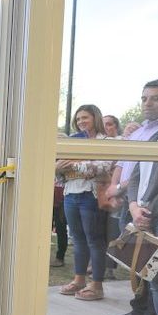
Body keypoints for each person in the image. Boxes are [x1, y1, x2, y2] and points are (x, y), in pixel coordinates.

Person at [104, 80, 158, 315]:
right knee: (144, 270)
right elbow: (135, 169)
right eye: (149, 98)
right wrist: (130, 202)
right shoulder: (148, 134)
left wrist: (144, 210)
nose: (155, 102)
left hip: (154, 213)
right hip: (137, 208)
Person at [125, 81, 158, 315]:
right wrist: (132, 206)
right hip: (145, 215)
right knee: (155, 281)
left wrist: (148, 212)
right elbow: (136, 175)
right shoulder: (157, 137)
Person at [55, 104, 112, 301]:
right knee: (78, 240)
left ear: (95, 117)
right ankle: (79, 280)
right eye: (78, 119)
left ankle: (96, 285)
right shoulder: (73, 141)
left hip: (92, 195)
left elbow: (104, 167)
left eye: (85, 118)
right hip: (71, 193)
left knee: (95, 240)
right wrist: (58, 167)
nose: (81, 122)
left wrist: (73, 165)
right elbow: (60, 173)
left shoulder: (106, 141)